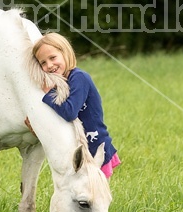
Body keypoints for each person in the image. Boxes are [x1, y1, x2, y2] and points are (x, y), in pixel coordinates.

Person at [31, 32, 121, 179]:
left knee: (94, 196)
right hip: (78, 147)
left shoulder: (79, 78)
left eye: (53, 58)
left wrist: (49, 95)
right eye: (43, 63)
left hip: (95, 147)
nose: (49, 65)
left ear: (65, 53)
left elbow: (69, 112)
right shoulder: (63, 82)